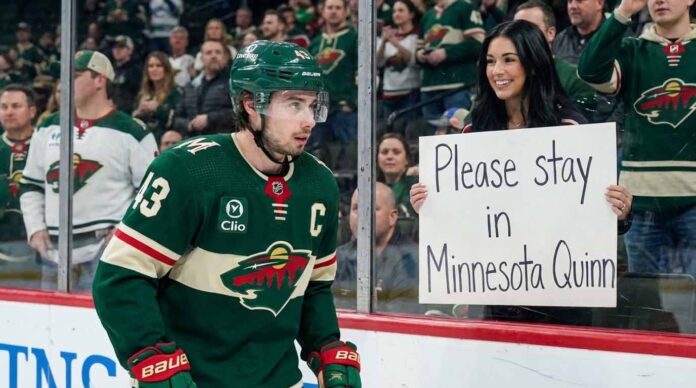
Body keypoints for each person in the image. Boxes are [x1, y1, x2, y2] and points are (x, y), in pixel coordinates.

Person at [92, 41, 361, 388]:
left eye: (312, 106)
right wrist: (151, 355)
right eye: (293, 104)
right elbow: (120, 277)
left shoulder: (319, 184)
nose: (308, 120)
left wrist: (326, 348)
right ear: (251, 104)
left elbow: (313, 288)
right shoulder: (187, 170)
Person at [411, 20, 633, 229]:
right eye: (490, 61)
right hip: (492, 265)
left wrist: (619, 213)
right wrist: (431, 206)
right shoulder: (472, 132)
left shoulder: (569, 128)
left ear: (534, 64)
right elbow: (462, 213)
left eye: (509, 59)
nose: (497, 70)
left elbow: (592, 217)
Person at [19, 50, 158, 291]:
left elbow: (152, 192)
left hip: (106, 251)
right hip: (53, 251)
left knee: (100, 326)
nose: (64, 83)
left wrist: (124, 232)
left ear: (99, 80)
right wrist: (35, 228)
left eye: (74, 75)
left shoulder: (133, 132)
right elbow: (31, 184)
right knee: (49, 327)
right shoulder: (48, 126)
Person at [578, 0, 696, 276]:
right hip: (640, 203)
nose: (658, 0)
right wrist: (622, 13)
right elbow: (589, 71)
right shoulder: (632, 50)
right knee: (648, 310)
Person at [334, 183, 420, 313]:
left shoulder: (411, 259)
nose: (361, 215)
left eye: (371, 208)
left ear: (392, 217)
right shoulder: (339, 256)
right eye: (356, 208)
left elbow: (400, 318)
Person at [513, 0, 597, 114]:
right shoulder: (506, 79)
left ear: (550, 33)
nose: (522, 35)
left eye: (530, 28)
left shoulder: (576, 79)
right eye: (516, 29)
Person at [416, 0, 485, 127]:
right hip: (429, 88)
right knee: (431, 139)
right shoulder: (427, 15)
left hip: (458, 86)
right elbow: (418, 47)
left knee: (459, 133)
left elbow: (479, 43)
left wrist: (446, 53)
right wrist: (419, 55)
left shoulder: (466, 7)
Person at [0, 85, 39, 285]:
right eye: (4, 107)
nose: (9, 112)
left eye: (16, 106)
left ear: (32, 111)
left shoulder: (48, 146)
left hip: (43, 244)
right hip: (4, 242)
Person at [309, 0, 359, 145]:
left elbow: (362, 73)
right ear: (323, 11)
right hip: (319, 108)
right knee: (318, 154)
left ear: (346, 12)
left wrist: (352, 101)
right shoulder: (315, 42)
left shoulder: (354, 38)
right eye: (330, 7)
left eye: (338, 8)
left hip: (344, 105)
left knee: (351, 152)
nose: (333, 11)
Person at [173, 40, 234, 135]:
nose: (213, 56)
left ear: (225, 57)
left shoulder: (234, 83)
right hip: (194, 143)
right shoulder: (190, 86)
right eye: (209, 53)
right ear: (201, 59)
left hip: (223, 143)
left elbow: (241, 113)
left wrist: (209, 119)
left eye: (218, 52)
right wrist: (189, 125)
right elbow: (176, 118)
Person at [377, 0, 422, 125]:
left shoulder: (417, 35)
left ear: (411, 14)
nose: (396, 14)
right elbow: (378, 63)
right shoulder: (387, 36)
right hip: (388, 93)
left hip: (410, 93)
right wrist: (384, 42)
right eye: (394, 11)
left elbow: (412, 59)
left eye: (401, 10)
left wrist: (394, 42)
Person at [133, 51, 182, 142]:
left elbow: (175, 121)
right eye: (151, 66)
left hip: (165, 141)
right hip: (143, 140)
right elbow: (133, 121)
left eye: (158, 65)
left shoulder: (175, 93)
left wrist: (157, 109)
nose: (154, 69)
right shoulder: (142, 94)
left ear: (166, 69)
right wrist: (138, 112)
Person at [377, 133, 418, 218]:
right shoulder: (370, 190)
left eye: (396, 152)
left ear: (407, 159)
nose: (389, 157)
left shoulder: (417, 186)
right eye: (384, 152)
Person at [111, 35, 143, 114]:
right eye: (115, 47)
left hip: (128, 113)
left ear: (130, 50)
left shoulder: (136, 70)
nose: (117, 50)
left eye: (121, 47)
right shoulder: (110, 69)